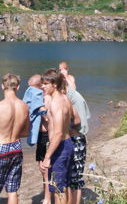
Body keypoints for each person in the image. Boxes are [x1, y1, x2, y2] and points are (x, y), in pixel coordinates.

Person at [0, 74, 29, 204]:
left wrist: (0, 131)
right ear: (18, 87)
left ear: (2, 86)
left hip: (0, 148)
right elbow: (25, 132)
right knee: (12, 189)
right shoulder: (24, 106)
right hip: (16, 148)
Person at [39, 69, 75, 204]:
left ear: (54, 84)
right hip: (68, 144)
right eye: (42, 83)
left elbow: (58, 133)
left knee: (57, 188)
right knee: (64, 186)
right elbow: (75, 120)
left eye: (45, 83)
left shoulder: (56, 102)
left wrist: (47, 157)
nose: (42, 86)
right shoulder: (65, 98)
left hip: (59, 147)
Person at [59, 62, 91, 204]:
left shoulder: (72, 98)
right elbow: (87, 117)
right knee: (73, 178)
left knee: (74, 179)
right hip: (78, 138)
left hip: (76, 139)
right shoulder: (74, 95)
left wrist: (66, 130)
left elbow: (78, 122)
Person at [22, 74, 52, 204]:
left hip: (47, 136)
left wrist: (41, 111)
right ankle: (47, 194)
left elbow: (50, 118)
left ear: (40, 87)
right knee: (41, 168)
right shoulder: (37, 98)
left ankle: (48, 198)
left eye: (32, 89)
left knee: (46, 168)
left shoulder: (47, 99)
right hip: (40, 137)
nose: (30, 92)